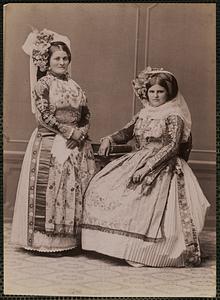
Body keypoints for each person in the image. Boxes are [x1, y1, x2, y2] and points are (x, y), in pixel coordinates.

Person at [82, 67, 210, 267]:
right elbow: (127, 132)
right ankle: (111, 246)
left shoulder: (174, 115)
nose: (155, 96)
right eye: (152, 91)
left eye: (160, 91)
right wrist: (109, 138)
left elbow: (172, 146)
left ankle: (142, 251)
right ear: (146, 92)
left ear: (168, 92)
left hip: (163, 164)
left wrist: (147, 167)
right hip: (138, 158)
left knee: (142, 198)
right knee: (101, 187)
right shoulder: (144, 113)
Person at [11, 29, 96, 254]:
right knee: (52, 189)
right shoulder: (43, 85)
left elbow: (86, 114)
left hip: (76, 144)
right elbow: (44, 116)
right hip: (51, 141)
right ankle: (46, 241)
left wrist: (81, 133)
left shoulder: (76, 86)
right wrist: (68, 133)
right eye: (57, 58)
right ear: (47, 62)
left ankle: (70, 240)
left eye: (65, 58)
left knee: (73, 189)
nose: (62, 62)